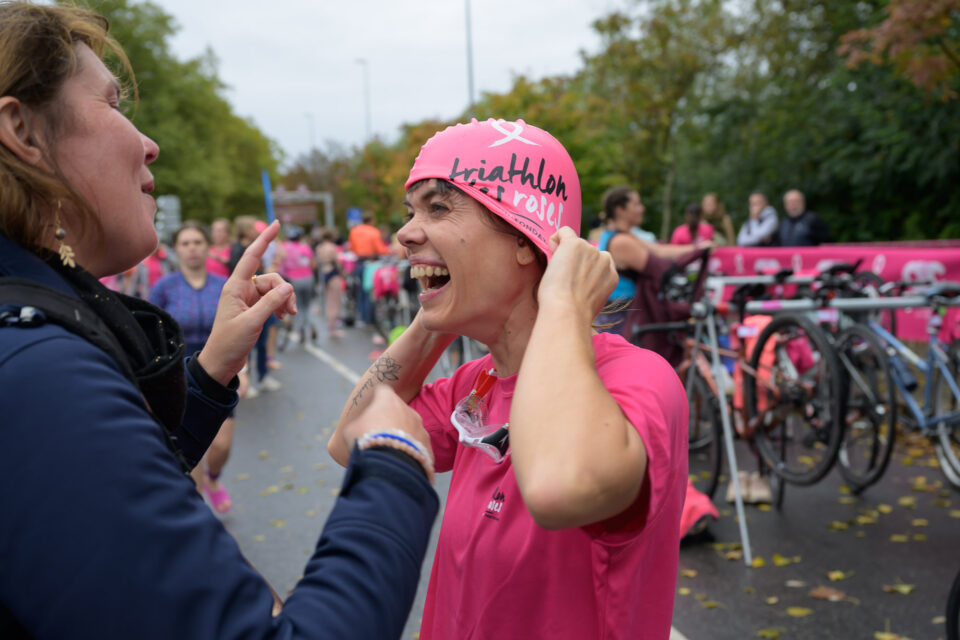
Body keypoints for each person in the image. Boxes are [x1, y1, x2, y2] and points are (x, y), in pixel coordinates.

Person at [0, 4, 438, 637]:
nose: (150, 143)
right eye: (113, 105)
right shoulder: (36, 373)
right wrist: (395, 462)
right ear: (24, 131)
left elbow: (101, 504)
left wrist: (208, 377)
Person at [328, 119, 688, 639]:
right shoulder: (478, 382)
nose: (405, 232)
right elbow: (350, 440)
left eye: (438, 207)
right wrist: (434, 321)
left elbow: (558, 490)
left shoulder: (636, 378)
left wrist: (561, 300)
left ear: (524, 241)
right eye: (411, 212)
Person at [150, 221, 237, 513]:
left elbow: (237, 330)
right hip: (179, 377)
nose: (192, 249)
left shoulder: (222, 285)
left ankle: (214, 479)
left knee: (222, 445)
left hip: (220, 374)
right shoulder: (164, 287)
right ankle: (202, 518)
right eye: (185, 243)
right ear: (176, 249)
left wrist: (244, 371)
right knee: (191, 457)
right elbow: (153, 332)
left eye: (197, 242)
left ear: (207, 247)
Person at [595, 186, 711, 336]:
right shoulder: (620, 241)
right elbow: (659, 266)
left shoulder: (620, 236)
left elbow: (659, 250)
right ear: (620, 210)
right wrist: (698, 251)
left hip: (622, 312)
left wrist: (698, 248)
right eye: (636, 204)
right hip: (618, 317)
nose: (642, 208)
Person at [276, 225, 317, 346]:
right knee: (307, 306)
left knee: (297, 307)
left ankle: (302, 332)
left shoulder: (285, 248)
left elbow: (281, 266)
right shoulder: (305, 248)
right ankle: (312, 325)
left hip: (293, 280)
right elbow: (313, 264)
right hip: (308, 278)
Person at [347, 212, 389, 325]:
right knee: (372, 290)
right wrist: (390, 252)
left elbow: (352, 248)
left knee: (361, 290)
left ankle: (363, 317)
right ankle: (371, 318)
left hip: (359, 263)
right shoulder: (374, 232)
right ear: (371, 220)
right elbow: (381, 250)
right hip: (372, 263)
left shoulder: (354, 231)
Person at [315, 226, 345, 338]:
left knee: (329, 302)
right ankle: (334, 329)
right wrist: (342, 273)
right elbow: (337, 262)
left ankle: (331, 327)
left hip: (324, 272)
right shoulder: (332, 247)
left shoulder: (319, 247)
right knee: (335, 302)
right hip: (332, 273)